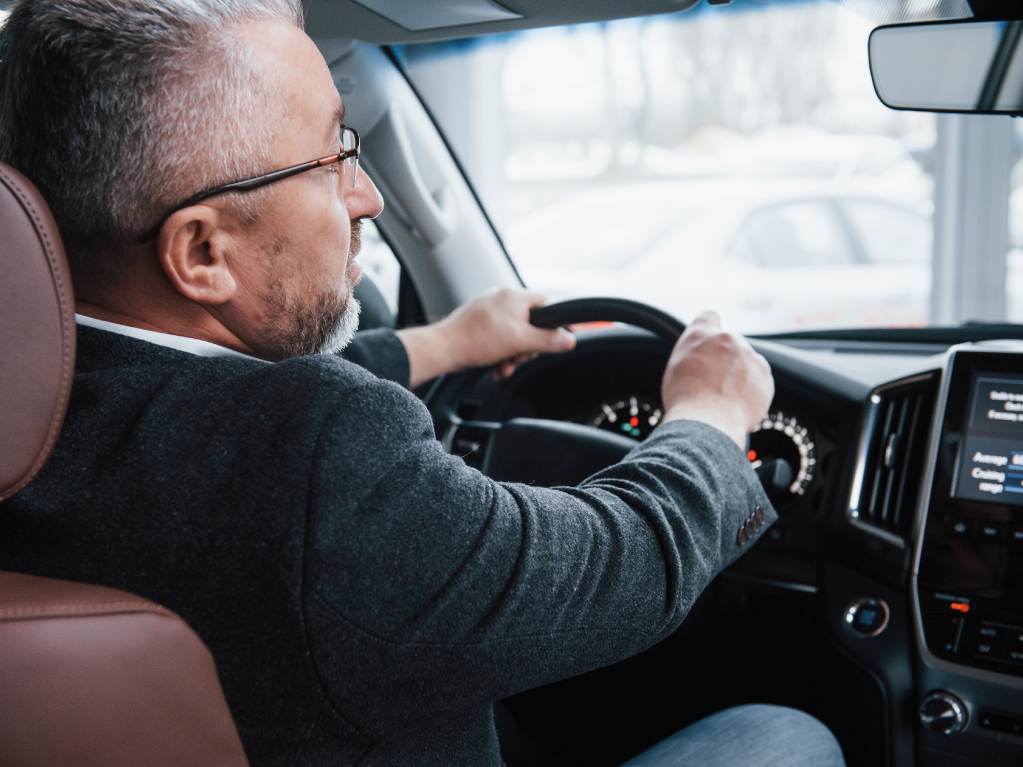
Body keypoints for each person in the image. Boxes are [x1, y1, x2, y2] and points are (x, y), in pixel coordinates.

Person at [0, 1, 845, 766]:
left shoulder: (38, 410)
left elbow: (213, 400)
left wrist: (447, 341)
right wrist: (707, 415)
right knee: (789, 735)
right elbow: (610, 564)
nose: (364, 194)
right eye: (329, 158)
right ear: (203, 254)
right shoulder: (315, 460)